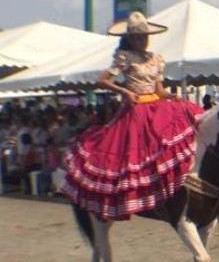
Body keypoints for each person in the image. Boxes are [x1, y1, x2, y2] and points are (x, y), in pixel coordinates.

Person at [61, 12, 204, 220]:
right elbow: (102, 80)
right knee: (136, 156)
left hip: (156, 106)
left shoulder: (155, 58)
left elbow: (159, 89)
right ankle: (143, 197)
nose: (143, 40)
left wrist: (169, 96)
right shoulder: (124, 56)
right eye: (138, 37)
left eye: (145, 36)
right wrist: (124, 91)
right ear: (130, 38)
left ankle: (173, 190)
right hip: (136, 109)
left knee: (173, 139)